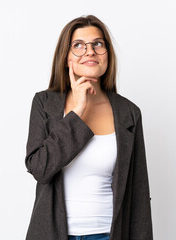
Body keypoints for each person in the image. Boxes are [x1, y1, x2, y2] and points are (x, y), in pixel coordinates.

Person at [24, 15, 153, 240]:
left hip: (108, 234)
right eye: (79, 46)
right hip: (52, 234)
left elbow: (138, 194)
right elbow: (40, 168)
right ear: (66, 58)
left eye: (98, 44)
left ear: (108, 55)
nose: (90, 51)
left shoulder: (129, 113)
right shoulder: (45, 104)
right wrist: (78, 113)